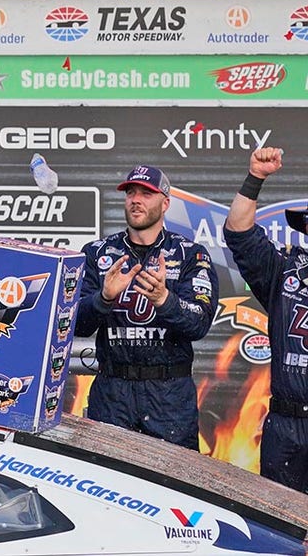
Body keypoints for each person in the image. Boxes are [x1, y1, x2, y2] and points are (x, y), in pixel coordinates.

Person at [74, 165, 217, 450]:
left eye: (146, 193)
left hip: (169, 395)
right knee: (105, 482)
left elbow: (199, 323)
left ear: (165, 203)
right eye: (131, 192)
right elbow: (74, 323)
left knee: (174, 485)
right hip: (112, 390)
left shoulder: (191, 254)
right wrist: (102, 299)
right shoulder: (96, 252)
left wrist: (165, 300)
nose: (136, 199)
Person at [222, 147, 308, 492]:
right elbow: (239, 233)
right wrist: (255, 177)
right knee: (283, 532)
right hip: (285, 423)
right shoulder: (285, 269)